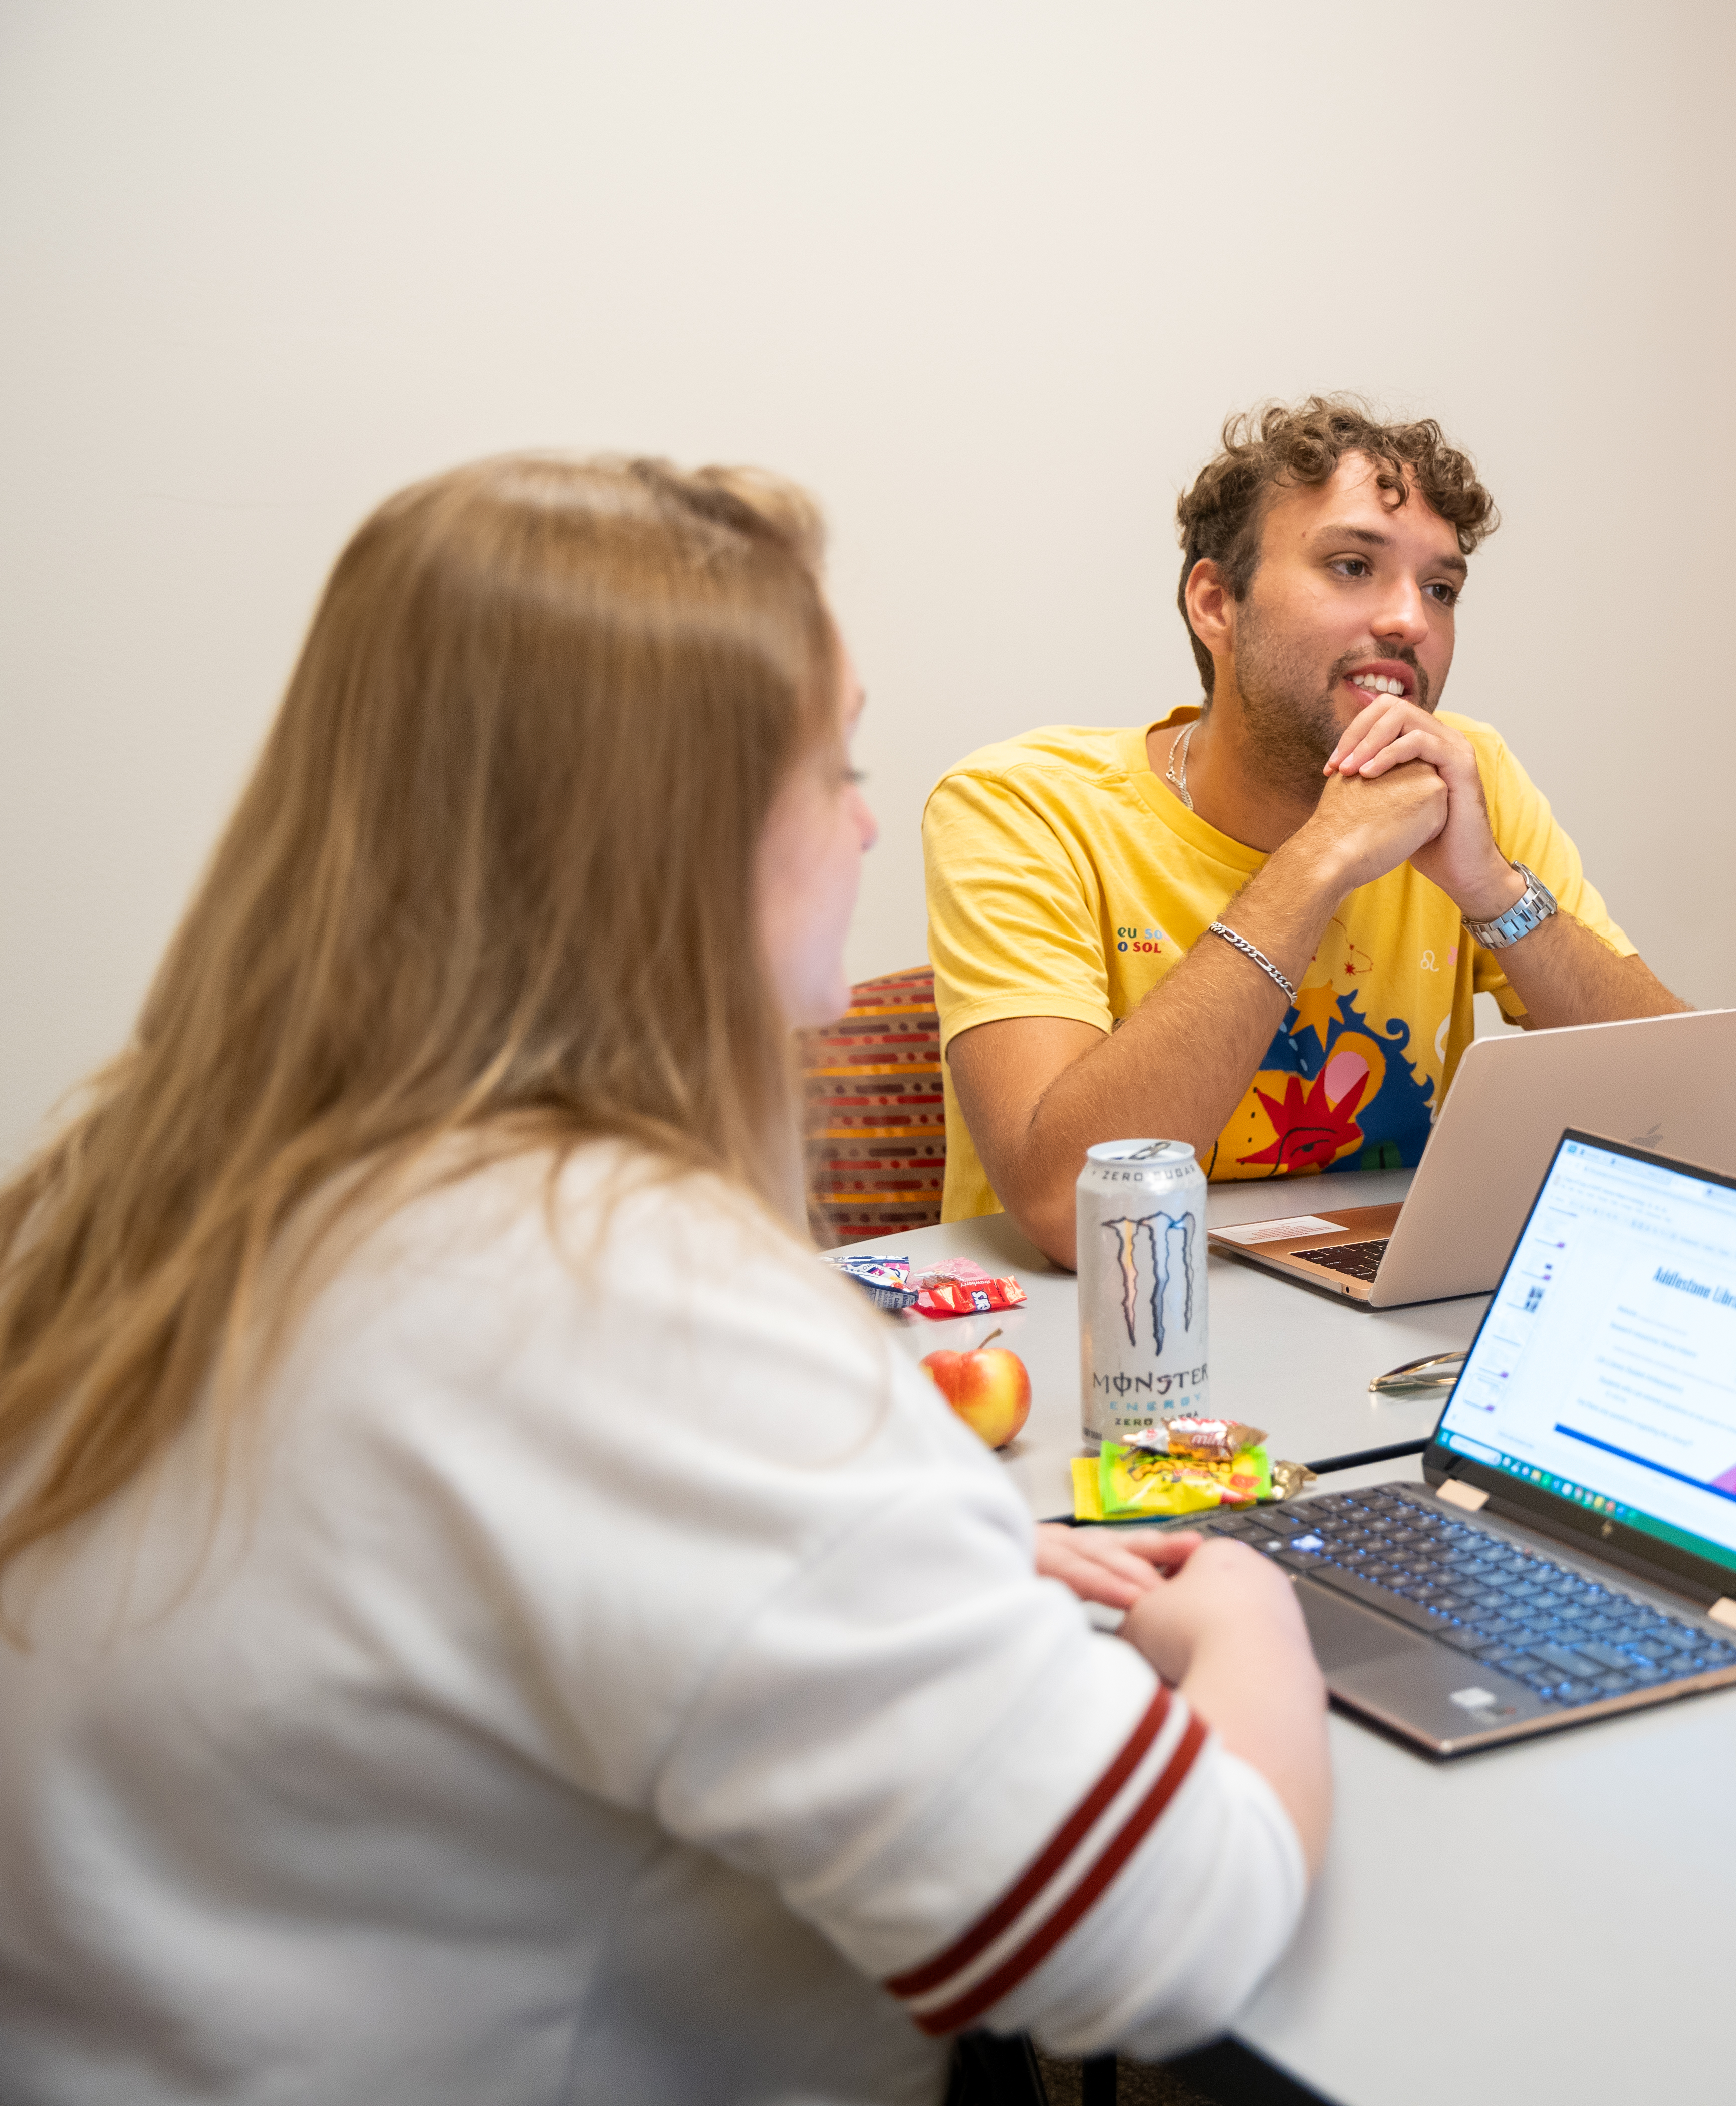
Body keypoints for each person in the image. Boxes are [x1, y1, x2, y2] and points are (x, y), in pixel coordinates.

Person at [0, 455, 1329, 2100]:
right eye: (832, 765)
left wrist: (906, 1553)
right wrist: (1253, 1615)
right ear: (673, 837)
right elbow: (1163, 1935)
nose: (862, 818)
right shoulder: (610, 1297)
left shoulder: (131, 1185)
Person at [927, 397, 1684, 1262]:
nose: (1411, 621)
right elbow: (1075, 1214)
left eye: (1440, 589)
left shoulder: (1466, 778)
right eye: (1354, 565)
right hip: (1105, 1343)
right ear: (1216, 603)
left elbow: (1689, 1123)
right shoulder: (1024, 806)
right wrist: (1321, 857)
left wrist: (1493, 890)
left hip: (1375, 1336)